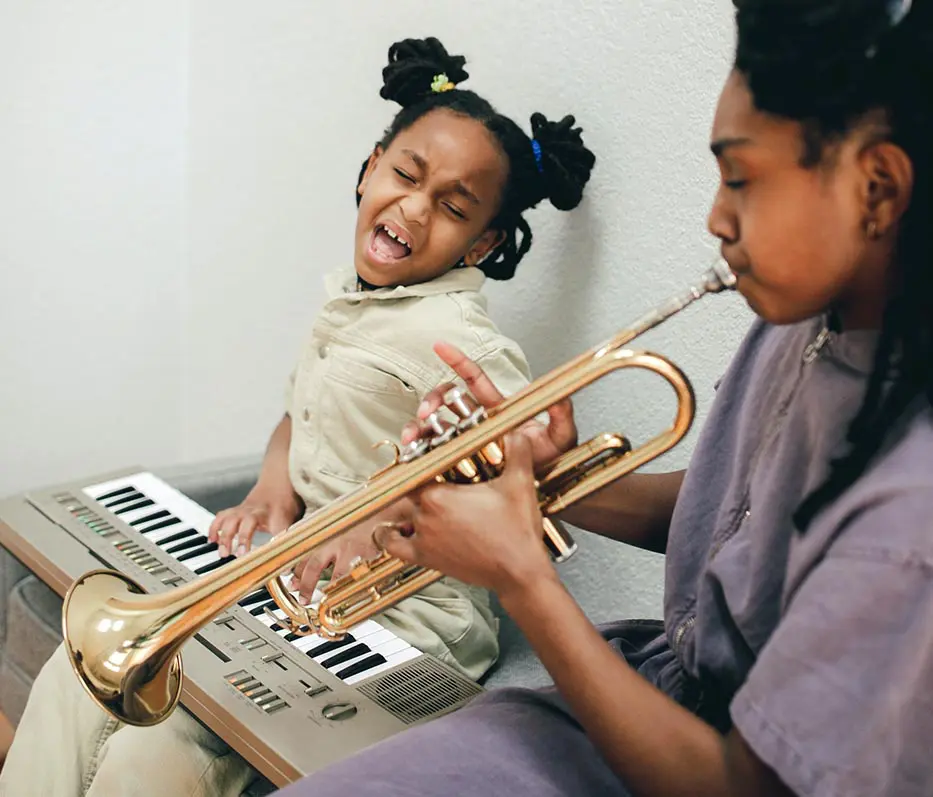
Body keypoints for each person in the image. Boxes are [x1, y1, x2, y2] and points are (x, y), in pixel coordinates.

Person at [273, 2, 933, 796]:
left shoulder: (911, 512)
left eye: (740, 179)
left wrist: (523, 577)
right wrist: (551, 480)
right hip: (653, 678)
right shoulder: (805, 321)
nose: (715, 218)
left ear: (879, 188)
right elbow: (734, 523)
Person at [0, 36, 595, 797]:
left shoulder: (469, 346)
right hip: (294, 589)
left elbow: (505, 499)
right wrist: (270, 487)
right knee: (74, 673)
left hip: (402, 627)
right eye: (405, 174)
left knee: (151, 754)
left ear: (480, 242)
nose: (414, 206)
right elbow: (299, 413)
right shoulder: (355, 303)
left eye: (452, 207)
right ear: (368, 168)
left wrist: (381, 526)